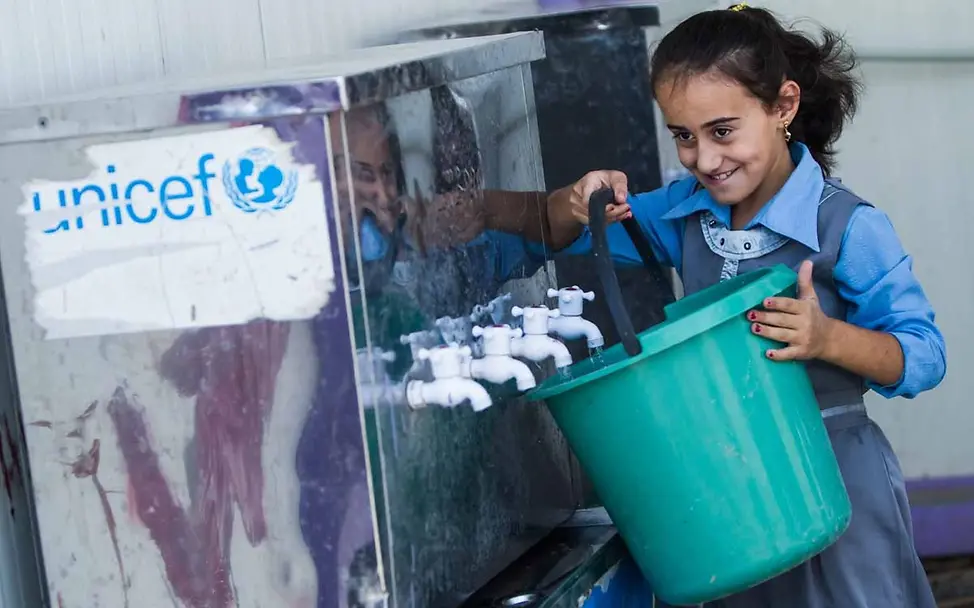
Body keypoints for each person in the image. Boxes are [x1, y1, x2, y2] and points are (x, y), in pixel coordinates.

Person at [540, 4, 946, 607]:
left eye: (722, 131)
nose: (704, 160)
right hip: (732, 493)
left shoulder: (844, 227)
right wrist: (575, 202)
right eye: (683, 136)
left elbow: (924, 356)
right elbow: (563, 231)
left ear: (783, 107)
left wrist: (829, 338)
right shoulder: (685, 213)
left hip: (835, 485)